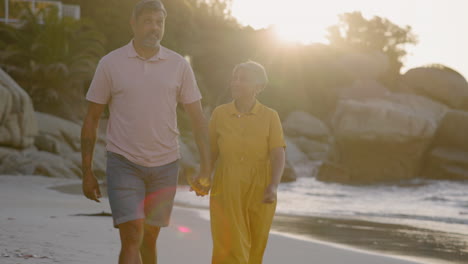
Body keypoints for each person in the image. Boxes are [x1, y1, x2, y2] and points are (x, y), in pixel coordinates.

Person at [80, 1, 210, 263]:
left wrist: (206, 168)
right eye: (148, 21)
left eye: (159, 22)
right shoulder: (111, 63)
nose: (154, 28)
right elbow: (92, 119)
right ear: (134, 24)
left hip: (165, 166)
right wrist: (86, 172)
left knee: (149, 240)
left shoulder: (178, 65)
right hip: (123, 163)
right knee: (132, 235)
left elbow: (197, 119)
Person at [207, 61, 286, 263]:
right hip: (226, 185)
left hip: (261, 186)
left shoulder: (270, 116)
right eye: (235, 78)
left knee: (255, 248)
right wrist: (204, 176)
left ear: (258, 87)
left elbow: (278, 152)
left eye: (244, 79)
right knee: (231, 245)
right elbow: (211, 152)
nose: (236, 83)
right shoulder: (220, 114)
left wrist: (273, 185)